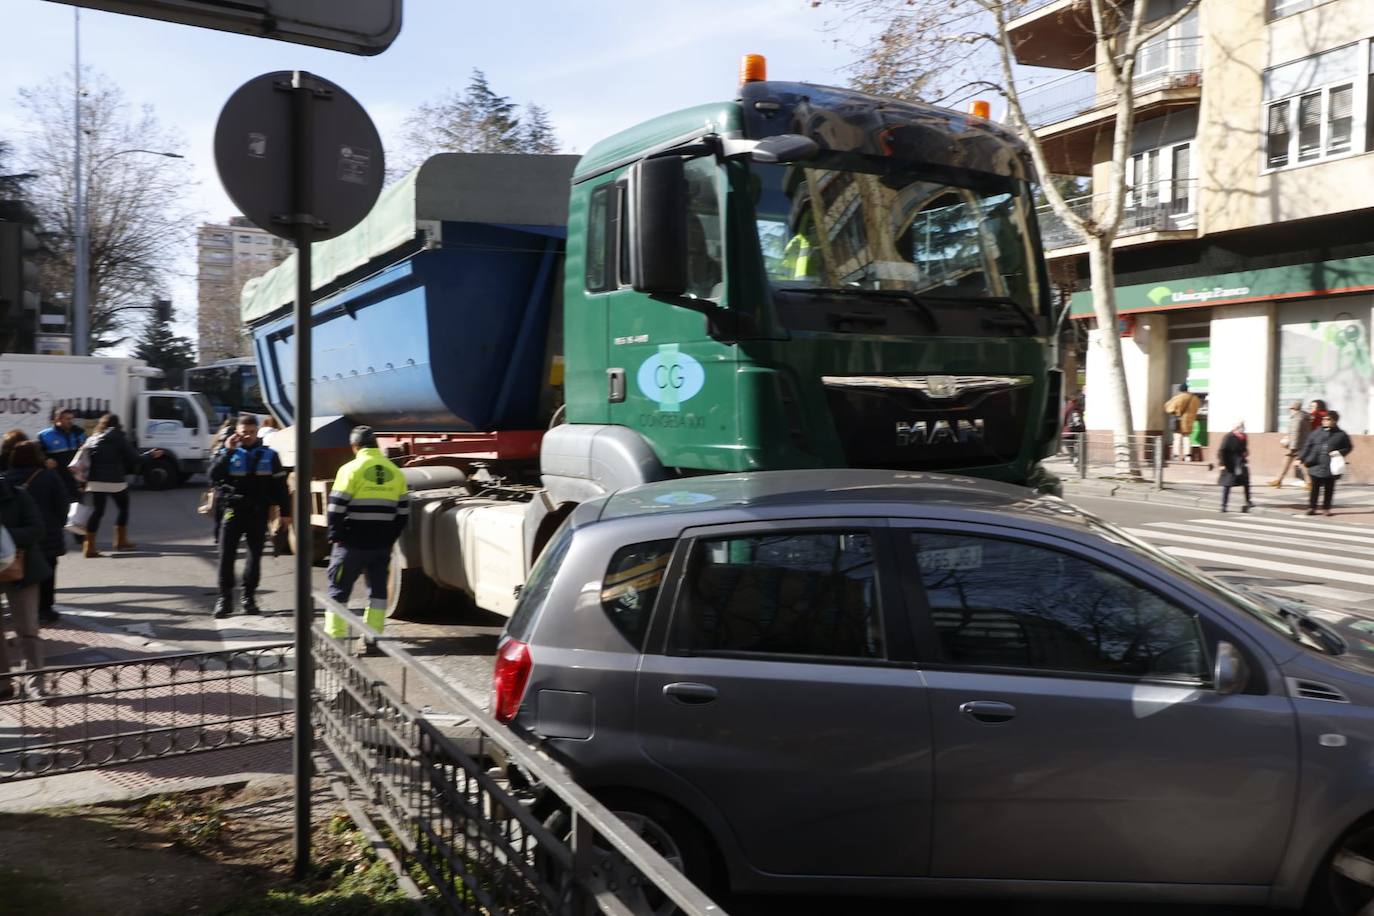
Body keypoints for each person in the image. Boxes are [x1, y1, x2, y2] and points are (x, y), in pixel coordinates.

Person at [324, 426, 410, 651]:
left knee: (338, 590)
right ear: (376, 446)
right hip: (381, 545)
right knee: (378, 592)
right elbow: (403, 513)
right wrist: (389, 538)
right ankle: (372, 640)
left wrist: (336, 535)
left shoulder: (350, 469)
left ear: (355, 447)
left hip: (351, 543)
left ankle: (336, 641)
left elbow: (335, 508)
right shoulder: (395, 471)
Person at [208, 414, 289, 618]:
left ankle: (248, 598)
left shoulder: (270, 456)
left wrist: (286, 514)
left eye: (252, 432)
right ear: (237, 432)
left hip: (258, 513)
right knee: (226, 557)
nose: (248, 436)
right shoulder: (227, 453)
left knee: (254, 559)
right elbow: (213, 476)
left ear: (257, 432)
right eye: (244, 432)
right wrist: (227, 450)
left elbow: (281, 487)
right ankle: (224, 599)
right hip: (232, 512)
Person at [5, 441, 72, 626]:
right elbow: (62, 503)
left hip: (19, 534)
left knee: (19, 570)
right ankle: (45, 609)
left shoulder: (7, 478)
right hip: (47, 531)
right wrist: (58, 523)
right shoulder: (49, 476)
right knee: (48, 571)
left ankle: (20, 609)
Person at [0, 470, 53, 698]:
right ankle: (3, 684)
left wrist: (3, 536)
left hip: (21, 570)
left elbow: (37, 529)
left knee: (27, 629)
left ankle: (35, 685)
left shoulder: (18, 496)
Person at [82, 413, 142, 557]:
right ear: (117, 423)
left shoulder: (93, 438)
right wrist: (150, 455)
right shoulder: (119, 437)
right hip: (115, 480)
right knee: (123, 508)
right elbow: (134, 458)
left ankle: (89, 547)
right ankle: (120, 541)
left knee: (98, 512)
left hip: (95, 480)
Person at [1300, 410, 1354, 517]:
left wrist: (1340, 452)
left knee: (1329, 489)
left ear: (1334, 421)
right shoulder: (1316, 432)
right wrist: (1300, 458)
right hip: (1315, 463)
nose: (1324, 421)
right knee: (1314, 489)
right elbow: (1307, 446)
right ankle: (1312, 507)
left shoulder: (1341, 434)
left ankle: (1326, 508)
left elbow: (1349, 447)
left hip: (1330, 466)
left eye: (1327, 419)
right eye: (1323, 419)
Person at [1269, 401, 1311, 488]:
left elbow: (1295, 433)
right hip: (1299, 445)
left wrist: (1293, 447)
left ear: (1294, 409)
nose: (1290, 410)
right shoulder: (1302, 416)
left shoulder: (1297, 418)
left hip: (1296, 446)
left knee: (1303, 464)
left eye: (1291, 408)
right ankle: (1279, 480)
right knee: (1286, 463)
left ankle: (1310, 483)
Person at [37, 407, 86, 479]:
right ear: (58, 420)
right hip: (55, 478)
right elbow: (38, 454)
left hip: (75, 478)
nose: (71, 421)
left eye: (72, 419)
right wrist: (45, 460)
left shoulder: (79, 434)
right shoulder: (44, 435)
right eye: (67, 419)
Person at [1217, 421, 1252, 513]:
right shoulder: (1229, 437)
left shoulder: (1244, 437)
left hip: (1240, 463)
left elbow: (1244, 449)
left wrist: (1245, 452)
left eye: (1243, 426)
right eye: (1240, 427)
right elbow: (1221, 451)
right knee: (1227, 485)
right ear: (1235, 428)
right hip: (1229, 464)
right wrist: (1222, 464)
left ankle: (1248, 501)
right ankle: (1223, 506)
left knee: (1246, 482)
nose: (1242, 428)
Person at [1164, 383, 1201, 462]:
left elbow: (1168, 408)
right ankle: (1187, 456)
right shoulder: (1195, 398)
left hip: (1179, 421)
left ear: (1180, 390)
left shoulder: (1178, 398)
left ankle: (1176, 456)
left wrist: (1176, 412)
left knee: (1177, 438)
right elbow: (1197, 408)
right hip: (1189, 422)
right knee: (1187, 438)